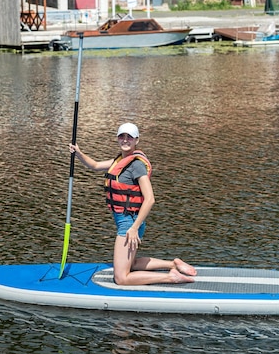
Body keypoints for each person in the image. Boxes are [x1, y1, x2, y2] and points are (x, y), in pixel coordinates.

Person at [69, 122, 197, 286]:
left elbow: (150, 199)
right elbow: (94, 165)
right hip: (128, 221)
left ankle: (171, 277)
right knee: (132, 263)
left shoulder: (136, 165)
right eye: (121, 136)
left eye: (129, 137)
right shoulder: (119, 161)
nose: (125, 140)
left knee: (121, 278)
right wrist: (78, 153)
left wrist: (134, 228)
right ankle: (174, 264)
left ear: (136, 140)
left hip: (129, 223)